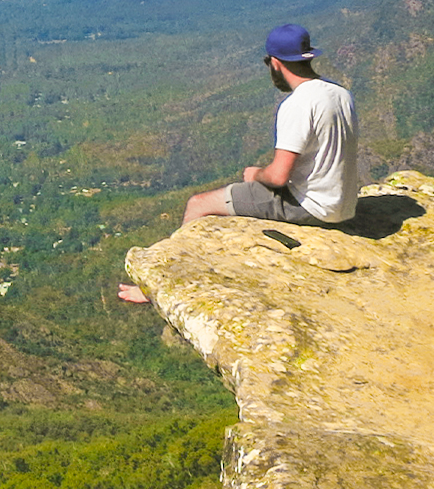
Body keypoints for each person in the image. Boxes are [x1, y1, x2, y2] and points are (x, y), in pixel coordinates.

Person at [119, 23, 359, 303]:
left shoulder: (298, 104)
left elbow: (279, 176)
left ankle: (163, 288)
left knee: (198, 204)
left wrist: (256, 174)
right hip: (344, 205)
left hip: (312, 207)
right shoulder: (339, 93)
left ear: (276, 64)